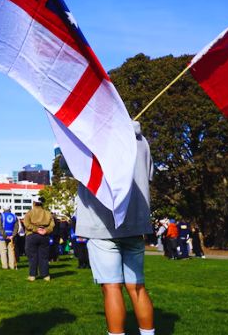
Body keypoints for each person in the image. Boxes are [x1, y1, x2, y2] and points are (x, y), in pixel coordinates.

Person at [75, 120, 155, 335]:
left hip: (101, 225)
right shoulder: (142, 142)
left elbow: (69, 164)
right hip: (135, 223)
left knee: (111, 287)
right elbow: (149, 175)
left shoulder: (92, 140)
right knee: (137, 286)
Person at [23, 197, 55, 281]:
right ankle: (46, 275)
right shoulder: (48, 213)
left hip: (32, 235)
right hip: (44, 236)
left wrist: (36, 229)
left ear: (34, 203)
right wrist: (46, 230)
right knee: (44, 256)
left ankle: (32, 275)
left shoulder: (29, 213)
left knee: (32, 256)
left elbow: (26, 224)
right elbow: (52, 225)